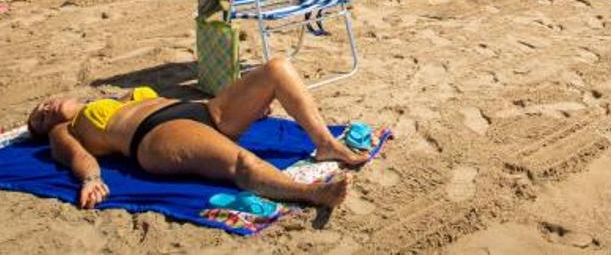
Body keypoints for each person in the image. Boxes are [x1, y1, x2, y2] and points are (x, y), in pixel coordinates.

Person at [25, 57, 368, 211]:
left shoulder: (115, 98)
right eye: (38, 119)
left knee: (277, 69)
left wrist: (252, 104)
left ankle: (326, 144)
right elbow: (78, 157)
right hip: (156, 135)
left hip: (203, 111)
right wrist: (90, 179)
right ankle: (310, 194)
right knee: (242, 162)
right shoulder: (65, 129)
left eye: (42, 106)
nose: (45, 110)